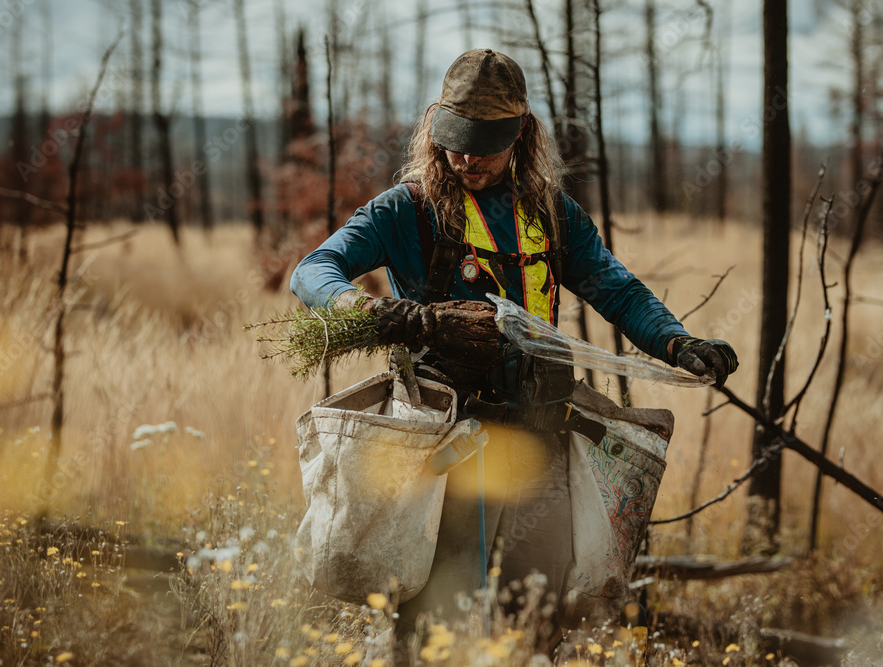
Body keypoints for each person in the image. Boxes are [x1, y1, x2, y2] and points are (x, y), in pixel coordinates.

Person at [291, 48, 737, 659]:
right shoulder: (407, 210)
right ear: (434, 127)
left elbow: (618, 289)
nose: (467, 158)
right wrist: (383, 315)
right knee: (434, 627)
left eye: (484, 143)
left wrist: (678, 341)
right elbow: (314, 270)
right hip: (445, 447)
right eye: (455, 141)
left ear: (521, 134)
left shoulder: (553, 214)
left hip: (540, 443)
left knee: (534, 622)